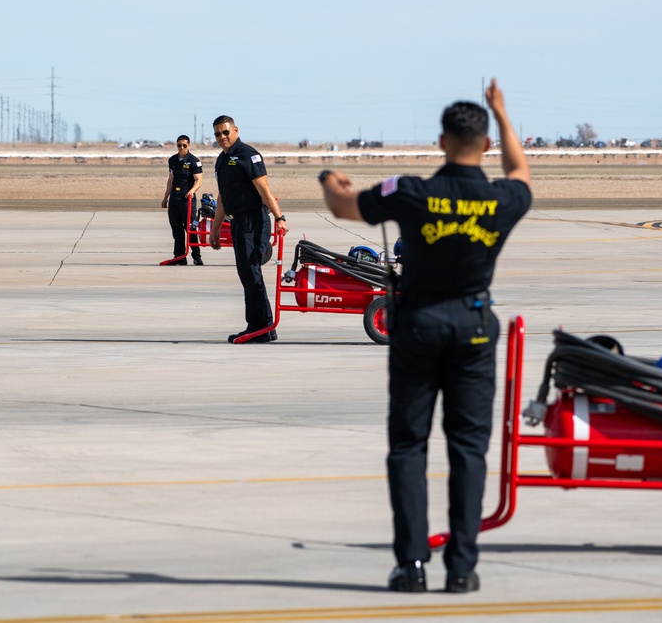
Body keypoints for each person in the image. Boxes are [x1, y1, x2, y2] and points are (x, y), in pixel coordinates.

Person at [319, 79, 531, 593]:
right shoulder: (503, 198)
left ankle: (411, 565)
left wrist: (329, 177)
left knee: (409, 446)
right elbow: (520, 170)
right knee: (468, 449)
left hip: (417, 326)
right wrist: (501, 112)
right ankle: (461, 567)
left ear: (440, 141)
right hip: (474, 328)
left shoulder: (410, 190)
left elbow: (343, 207)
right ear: (484, 146)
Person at [207, 115, 289, 343]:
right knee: (247, 273)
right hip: (238, 222)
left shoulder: (248, 155)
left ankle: (259, 326)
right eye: (217, 134)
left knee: (251, 271)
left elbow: (264, 190)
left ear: (235, 130)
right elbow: (222, 197)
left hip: (254, 220)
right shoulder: (222, 160)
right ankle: (265, 326)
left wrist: (279, 217)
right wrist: (215, 230)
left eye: (225, 132)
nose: (222, 137)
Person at [161, 135, 204, 265]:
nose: (182, 148)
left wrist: (192, 191)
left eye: (184, 145)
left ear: (189, 145)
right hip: (175, 197)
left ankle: (196, 256)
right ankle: (179, 257)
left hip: (187, 199)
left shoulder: (193, 161)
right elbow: (171, 180)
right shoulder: (172, 160)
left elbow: (199, 180)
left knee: (190, 228)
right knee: (176, 228)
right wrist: (165, 197)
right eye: (179, 145)